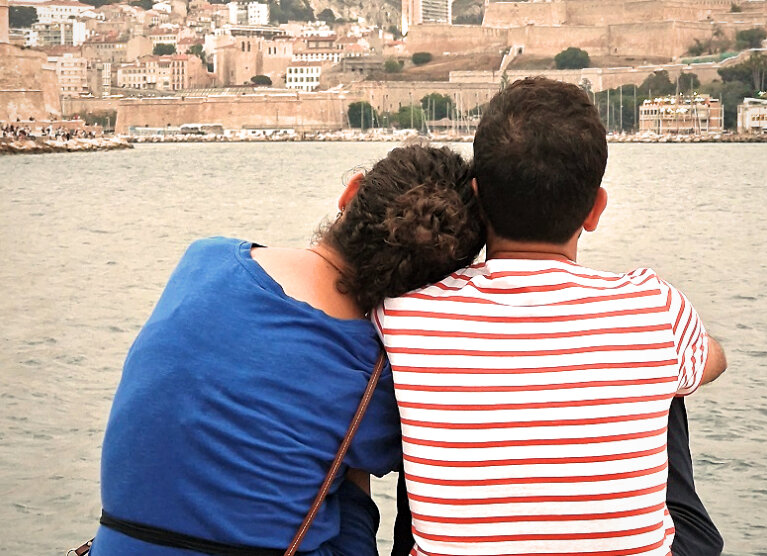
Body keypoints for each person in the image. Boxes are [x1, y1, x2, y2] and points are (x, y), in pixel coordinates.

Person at [374, 78, 728, 556]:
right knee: (666, 372)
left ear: (475, 201)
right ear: (595, 208)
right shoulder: (653, 302)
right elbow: (714, 358)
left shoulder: (404, 311)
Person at [91, 145, 485, 556]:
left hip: (116, 545)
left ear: (351, 193)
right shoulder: (370, 374)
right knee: (348, 468)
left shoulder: (206, 258)